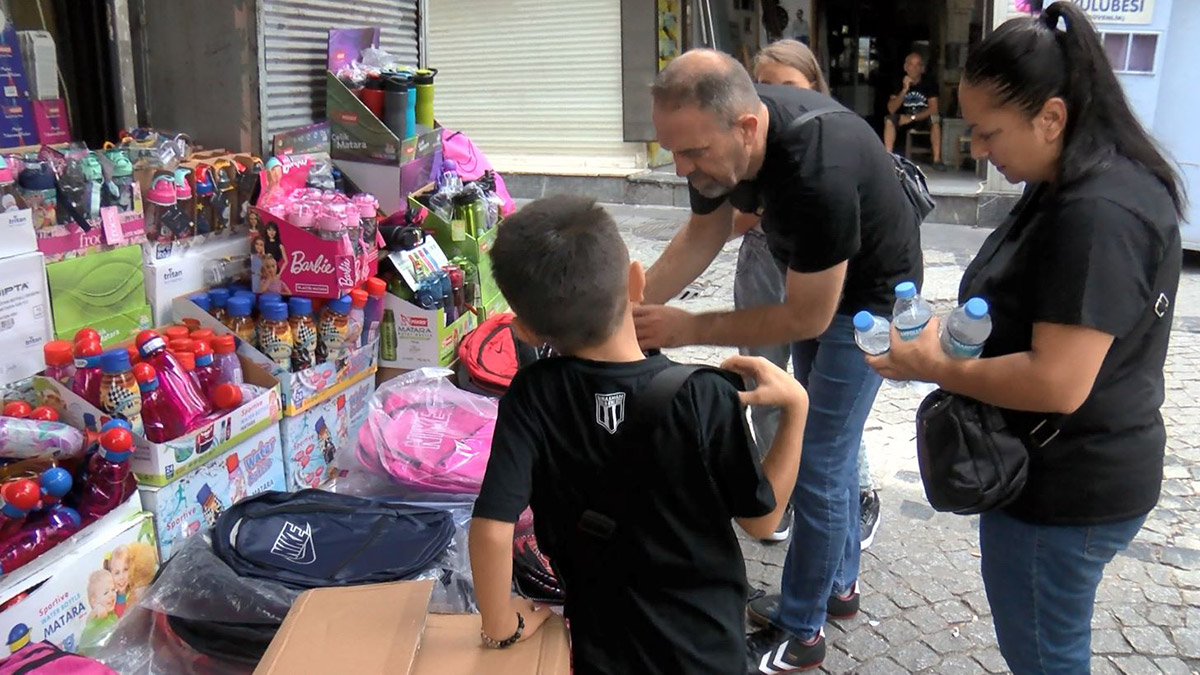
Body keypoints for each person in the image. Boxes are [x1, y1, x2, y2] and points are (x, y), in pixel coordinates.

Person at [867, 4, 1183, 673]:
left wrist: (934, 365)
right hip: (1075, 470)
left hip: (1066, 488)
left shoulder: (1097, 210)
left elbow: (1057, 381)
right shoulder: (1078, 179)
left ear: (1053, 117)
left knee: (1045, 655)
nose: (977, 149)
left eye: (989, 133)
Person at [634, 49, 923, 672]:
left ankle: (803, 630)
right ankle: (838, 586)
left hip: (867, 306)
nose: (683, 167)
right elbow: (704, 232)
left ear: (746, 127)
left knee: (818, 459)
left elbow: (806, 318)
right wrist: (634, 308)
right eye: (673, 152)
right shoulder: (715, 138)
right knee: (835, 451)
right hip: (821, 280)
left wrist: (690, 328)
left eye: (693, 154)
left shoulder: (818, 166)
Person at [469, 196, 809, 674]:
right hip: (706, 652)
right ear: (636, 280)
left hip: (603, 650)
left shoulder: (532, 396)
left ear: (524, 330)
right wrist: (796, 409)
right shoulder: (704, 395)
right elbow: (762, 520)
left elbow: (490, 528)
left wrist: (501, 626)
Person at [734, 40, 882, 547]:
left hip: (834, 283)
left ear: (814, 90)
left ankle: (853, 497)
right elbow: (725, 220)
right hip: (765, 262)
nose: (775, 99)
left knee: (830, 411)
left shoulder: (824, 148)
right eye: (765, 87)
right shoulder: (752, 145)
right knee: (771, 382)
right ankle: (782, 490)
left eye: (788, 87)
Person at [883, 52, 944, 168]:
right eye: (911, 65)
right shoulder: (898, 82)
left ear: (922, 68)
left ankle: (937, 160)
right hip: (903, 117)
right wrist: (904, 90)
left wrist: (912, 118)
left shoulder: (929, 82)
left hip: (923, 118)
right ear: (905, 67)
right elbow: (891, 108)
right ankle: (888, 158)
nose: (914, 68)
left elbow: (934, 108)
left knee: (935, 119)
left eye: (918, 65)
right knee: (889, 120)